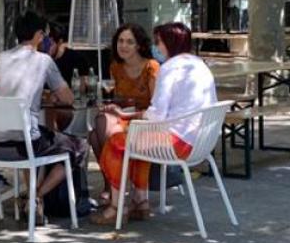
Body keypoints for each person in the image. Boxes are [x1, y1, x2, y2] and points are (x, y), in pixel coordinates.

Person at [92, 22, 217, 226]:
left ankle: (115, 208)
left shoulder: (169, 68)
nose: (156, 47)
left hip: (177, 142)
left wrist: (125, 115)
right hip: (202, 140)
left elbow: (156, 115)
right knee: (136, 139)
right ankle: (140, 201)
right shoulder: (199, 65)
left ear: (169, 43)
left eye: (159, 42)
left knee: (116, 142)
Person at [0, 12, 88, 223]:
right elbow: (68, 97)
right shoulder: (43, 61)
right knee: (78, 147)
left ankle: (35, 201)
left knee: (36, 135)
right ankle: (35, 197)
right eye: (43, 34)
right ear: (37, 35)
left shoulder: (1, 58)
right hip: (23, 145)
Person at [89, 24, 159, 214]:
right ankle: (115, 187)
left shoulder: (151, 67)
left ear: (139, 45)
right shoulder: (116, 67)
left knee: (104, 132)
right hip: (125, 115)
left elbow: (155, 107)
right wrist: (113, 105)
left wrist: (122, 112)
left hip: (144, 120)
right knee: (96, 130)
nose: (123, 46)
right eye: (120, 41)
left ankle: (115, 191)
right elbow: (119, 98)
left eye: (129, 42)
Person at [40, 23, 87, 132]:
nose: (45, 48)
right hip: (45, 108)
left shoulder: (76, 59)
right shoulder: (41, 59)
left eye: (49, 44)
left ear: (60, 42)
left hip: (71, 108)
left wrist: (60, 96)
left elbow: (82, 86)